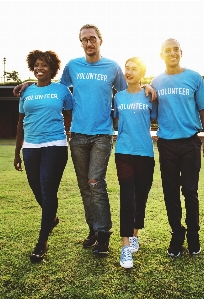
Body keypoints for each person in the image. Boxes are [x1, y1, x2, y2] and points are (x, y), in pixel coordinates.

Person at [13, 24, 156, 255]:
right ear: (80, 43)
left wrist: (148, 84)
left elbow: (129, 89)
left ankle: (104, 235)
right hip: (78, 135)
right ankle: (93, 229)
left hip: (102, 134)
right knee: (83, 186)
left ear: (100, 40)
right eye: (84, 40)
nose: (88, 43)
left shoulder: (112, 67)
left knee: (95, 182)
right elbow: (54, 88)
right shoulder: (73, 66)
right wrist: (30, 84)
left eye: (92, 39)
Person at [151, 38, 204, 257]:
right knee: (170, 192)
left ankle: (194, 236)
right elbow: (149, 108)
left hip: (189, 142)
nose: (172, 53)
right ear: (162, 55)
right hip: (167, 144)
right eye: (167, 50)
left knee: (190, 190)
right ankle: (177, 234)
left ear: (181, 52)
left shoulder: (194, 77)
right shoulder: (156, 81)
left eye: (175, 49)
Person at [14, 50, 73, 262]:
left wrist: (69, 135)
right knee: (36, 187)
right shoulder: (26, 92)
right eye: (37, 65)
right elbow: (20, 122)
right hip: (30, 146)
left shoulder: (62, 90)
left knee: (47, 189)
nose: (40, 68)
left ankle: (42, 241)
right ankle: (53, 217)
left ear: (52, 68)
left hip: (55, 145)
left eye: (45, 65)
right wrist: (17, 151)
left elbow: (70, 114)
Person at [113, 57, 158, 268]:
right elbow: (116, 120)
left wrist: (149, 86)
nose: (129, 72)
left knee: (141, 196)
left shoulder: (150, 95)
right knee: (127, 196)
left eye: (134, 69)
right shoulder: (118, 97)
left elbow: (157, 117)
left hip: (145, 154)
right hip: (123, 152)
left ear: (142, 73)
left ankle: (134, 235)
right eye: (127, 69)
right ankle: (124, 247)